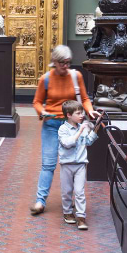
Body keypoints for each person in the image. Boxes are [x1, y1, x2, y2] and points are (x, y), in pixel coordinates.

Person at [30, 45, 100, 216]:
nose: (66, 66)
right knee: (48, 164)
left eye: (68, 63)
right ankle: (40, 201)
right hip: (52, 125)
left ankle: (75, 201)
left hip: (72, 125)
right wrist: (43, 112)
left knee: (75, 162)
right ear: (54, 61)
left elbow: (84, 98)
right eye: (62, 63)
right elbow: (37, 102)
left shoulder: (76, 76)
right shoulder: (45, 79)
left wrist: (89, 110)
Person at [58, 99, 98, 230]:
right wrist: (80, 132)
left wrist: (96, 127)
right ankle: (68, 213)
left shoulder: (83, 127)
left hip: (81, 164)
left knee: (80, 191)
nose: (82, 115)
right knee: (67, 191)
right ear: (69, 115)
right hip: (66, 165)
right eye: (78, 113)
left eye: (82, 113)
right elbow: (67, 143)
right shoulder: (63, 129)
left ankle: (81, 217)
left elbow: (88, 142)